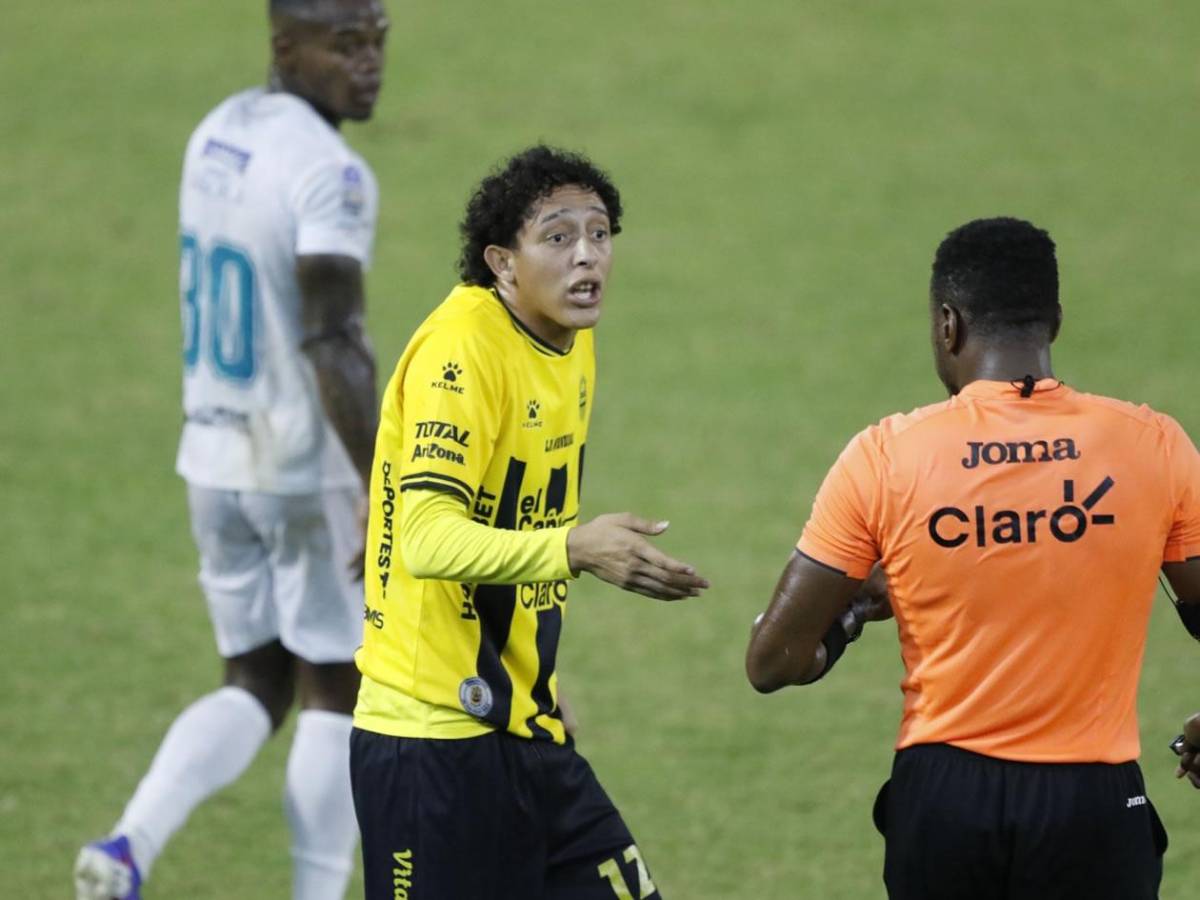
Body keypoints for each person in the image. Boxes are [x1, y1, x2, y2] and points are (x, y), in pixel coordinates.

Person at [745, 217, 1200, 899]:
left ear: (947, 325)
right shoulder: (1154, 445)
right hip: (1094, 800)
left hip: (944, 799)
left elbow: (772, 660)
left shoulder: (884, 456)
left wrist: (855, 614)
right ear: (1054, 323)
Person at [74, 2, 388, 898]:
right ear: (287, 48)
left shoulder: (215, 131)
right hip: (301, 462)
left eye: (377, 43)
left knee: (254, 678)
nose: (367, 64)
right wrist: (381, 481)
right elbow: (334, 339)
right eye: (345, 46)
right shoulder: (332, 172)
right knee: (338, 685)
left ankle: (128, 847)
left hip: (211, 452)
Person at [350, 145, 709, 899]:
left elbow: (508, 515)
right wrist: (575, 548)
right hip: (430, 746)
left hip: (524, 723)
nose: (588, 257)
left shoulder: (569, 341)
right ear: (502, 263)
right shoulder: (462, 353)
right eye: (557, 237)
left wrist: (530, 671)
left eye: (601, 234)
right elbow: (426, 537)